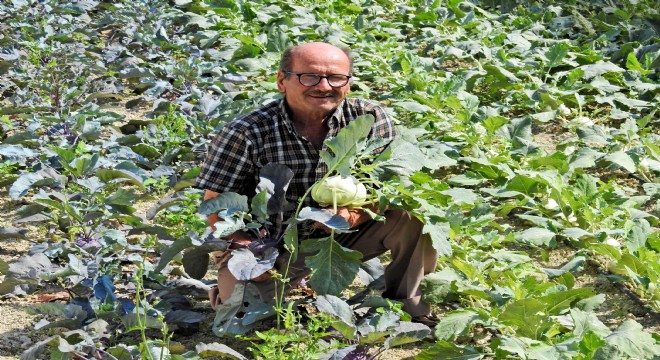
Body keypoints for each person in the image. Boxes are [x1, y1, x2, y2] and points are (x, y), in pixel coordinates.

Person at [195, 42, 438, 325]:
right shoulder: (246, 132)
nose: (324, 86)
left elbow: (387, 187)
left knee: (414, 218)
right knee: (242, 317)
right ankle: (239, 286)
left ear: (348, 83)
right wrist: (249, 252)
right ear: (282, 81)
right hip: (275, 248)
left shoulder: (368, 118)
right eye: (309, 76)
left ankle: (410, 306)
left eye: (336, 78)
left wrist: (355, 214)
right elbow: (216, 206)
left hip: (344, 237)